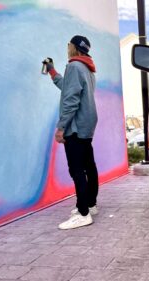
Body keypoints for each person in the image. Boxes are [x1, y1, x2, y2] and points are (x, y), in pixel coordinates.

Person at [44, 35, 99, 230]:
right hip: (86, 125)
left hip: (75, 127)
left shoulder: (75, 67)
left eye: (69, 45)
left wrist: (61, 128)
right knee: (88, 166)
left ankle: (83, 213)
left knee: (76, 169)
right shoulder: (86, 68)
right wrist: (52, 71)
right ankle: (90, 205)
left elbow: (71, 100)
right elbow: (67, 87)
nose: (67, 48)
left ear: (75, 48)